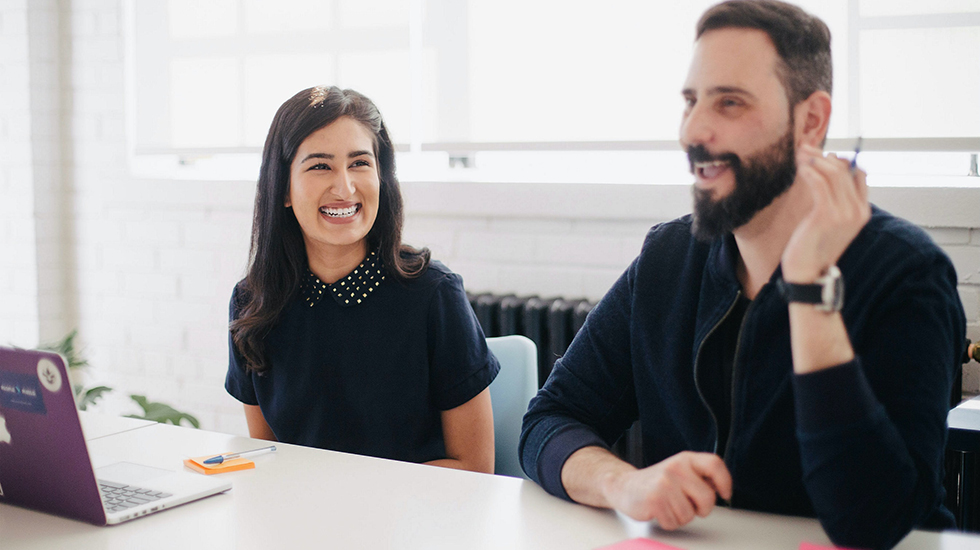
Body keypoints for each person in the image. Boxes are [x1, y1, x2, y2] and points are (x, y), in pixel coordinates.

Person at [519, 2, 965, 549]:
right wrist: (624, 483)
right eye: (690, 101)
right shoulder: (668, 257)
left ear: (811, 121)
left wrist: (809, 289)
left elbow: (874, 524)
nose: (694, 130)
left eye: (729, 102)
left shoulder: (908, 275)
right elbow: (549, 421)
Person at [226, 86, 498, 474]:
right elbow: (269, 457)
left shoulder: (433, 294)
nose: (345, 187)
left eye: (359, 163)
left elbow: (475, 466)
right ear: (283, 188)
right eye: (320, 166)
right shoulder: (253, 301)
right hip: (302, 520)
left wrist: (348, 499)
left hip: (419, 521)